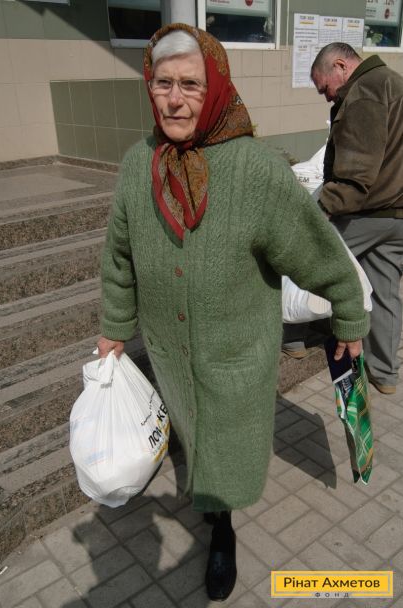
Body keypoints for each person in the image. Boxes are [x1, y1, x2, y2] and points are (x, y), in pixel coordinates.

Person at [97, 24, 369, 601]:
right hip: (170, 352)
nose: (174, 99)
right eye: (163, 83)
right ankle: (210, 502)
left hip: (237, 352)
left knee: (228, 446)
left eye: (190, 84)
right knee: (193, 430)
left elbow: (316, 250)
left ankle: (221, 530)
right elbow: (119, 257)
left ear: (216, 85)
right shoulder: (137, 164)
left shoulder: (255, 170)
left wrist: (349, 313)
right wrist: (114, 328)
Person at [309, 42, 403, 395]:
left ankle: (295, 340)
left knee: (307, 256)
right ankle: (384, 373)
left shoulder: (364, 92)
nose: (327, 97)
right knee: (385, 290)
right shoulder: (394, 81)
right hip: (397, 215)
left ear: (340, 66)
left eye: (325, 87)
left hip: (366, 212)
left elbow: (355, 175)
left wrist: (319, 211)